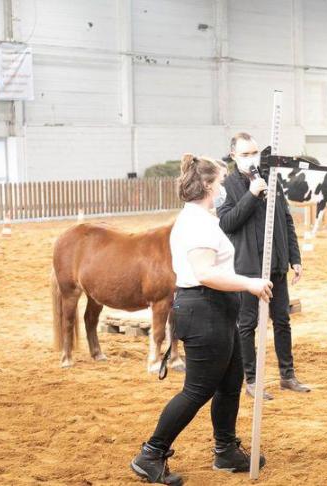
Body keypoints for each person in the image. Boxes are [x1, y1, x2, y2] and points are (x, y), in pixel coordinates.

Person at [131, 154, 273, 484]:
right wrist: (249, 284)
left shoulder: (205, 219)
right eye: (221, 182)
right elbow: (205, 273)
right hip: (203, 309)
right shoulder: (195, 223)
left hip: (219, 309)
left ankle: (225, 451)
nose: (224, 187)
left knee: (230, 381)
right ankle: (151, 454)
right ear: (208, 185)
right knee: (197, 390)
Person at [217, 132, 309, 400]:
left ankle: (287, 375)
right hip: (247, 269)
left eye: (254, 153)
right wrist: (251, 195)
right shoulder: (227, 186)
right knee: (247, 325)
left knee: (282, 320)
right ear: (233, 156)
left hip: (277, 264)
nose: (251, 158)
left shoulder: (272, 180)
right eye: (245, 154)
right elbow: (227, 223)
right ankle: (252, 379)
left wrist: (295, 257)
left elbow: (286, 220)